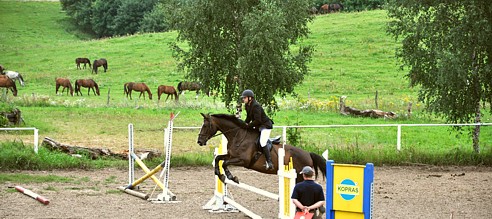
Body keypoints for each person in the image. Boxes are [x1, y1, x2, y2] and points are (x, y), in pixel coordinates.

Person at [241, 89, 274, 170]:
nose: (243, 99)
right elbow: (249, 117)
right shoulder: (247, 105)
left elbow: (258, 120)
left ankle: (269, 162)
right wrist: (243, 124)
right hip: (258, 126)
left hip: (265, 126)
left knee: (262, 142)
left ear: (250, 98)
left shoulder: (256, 106)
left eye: (244, 98)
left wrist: (248, 126)